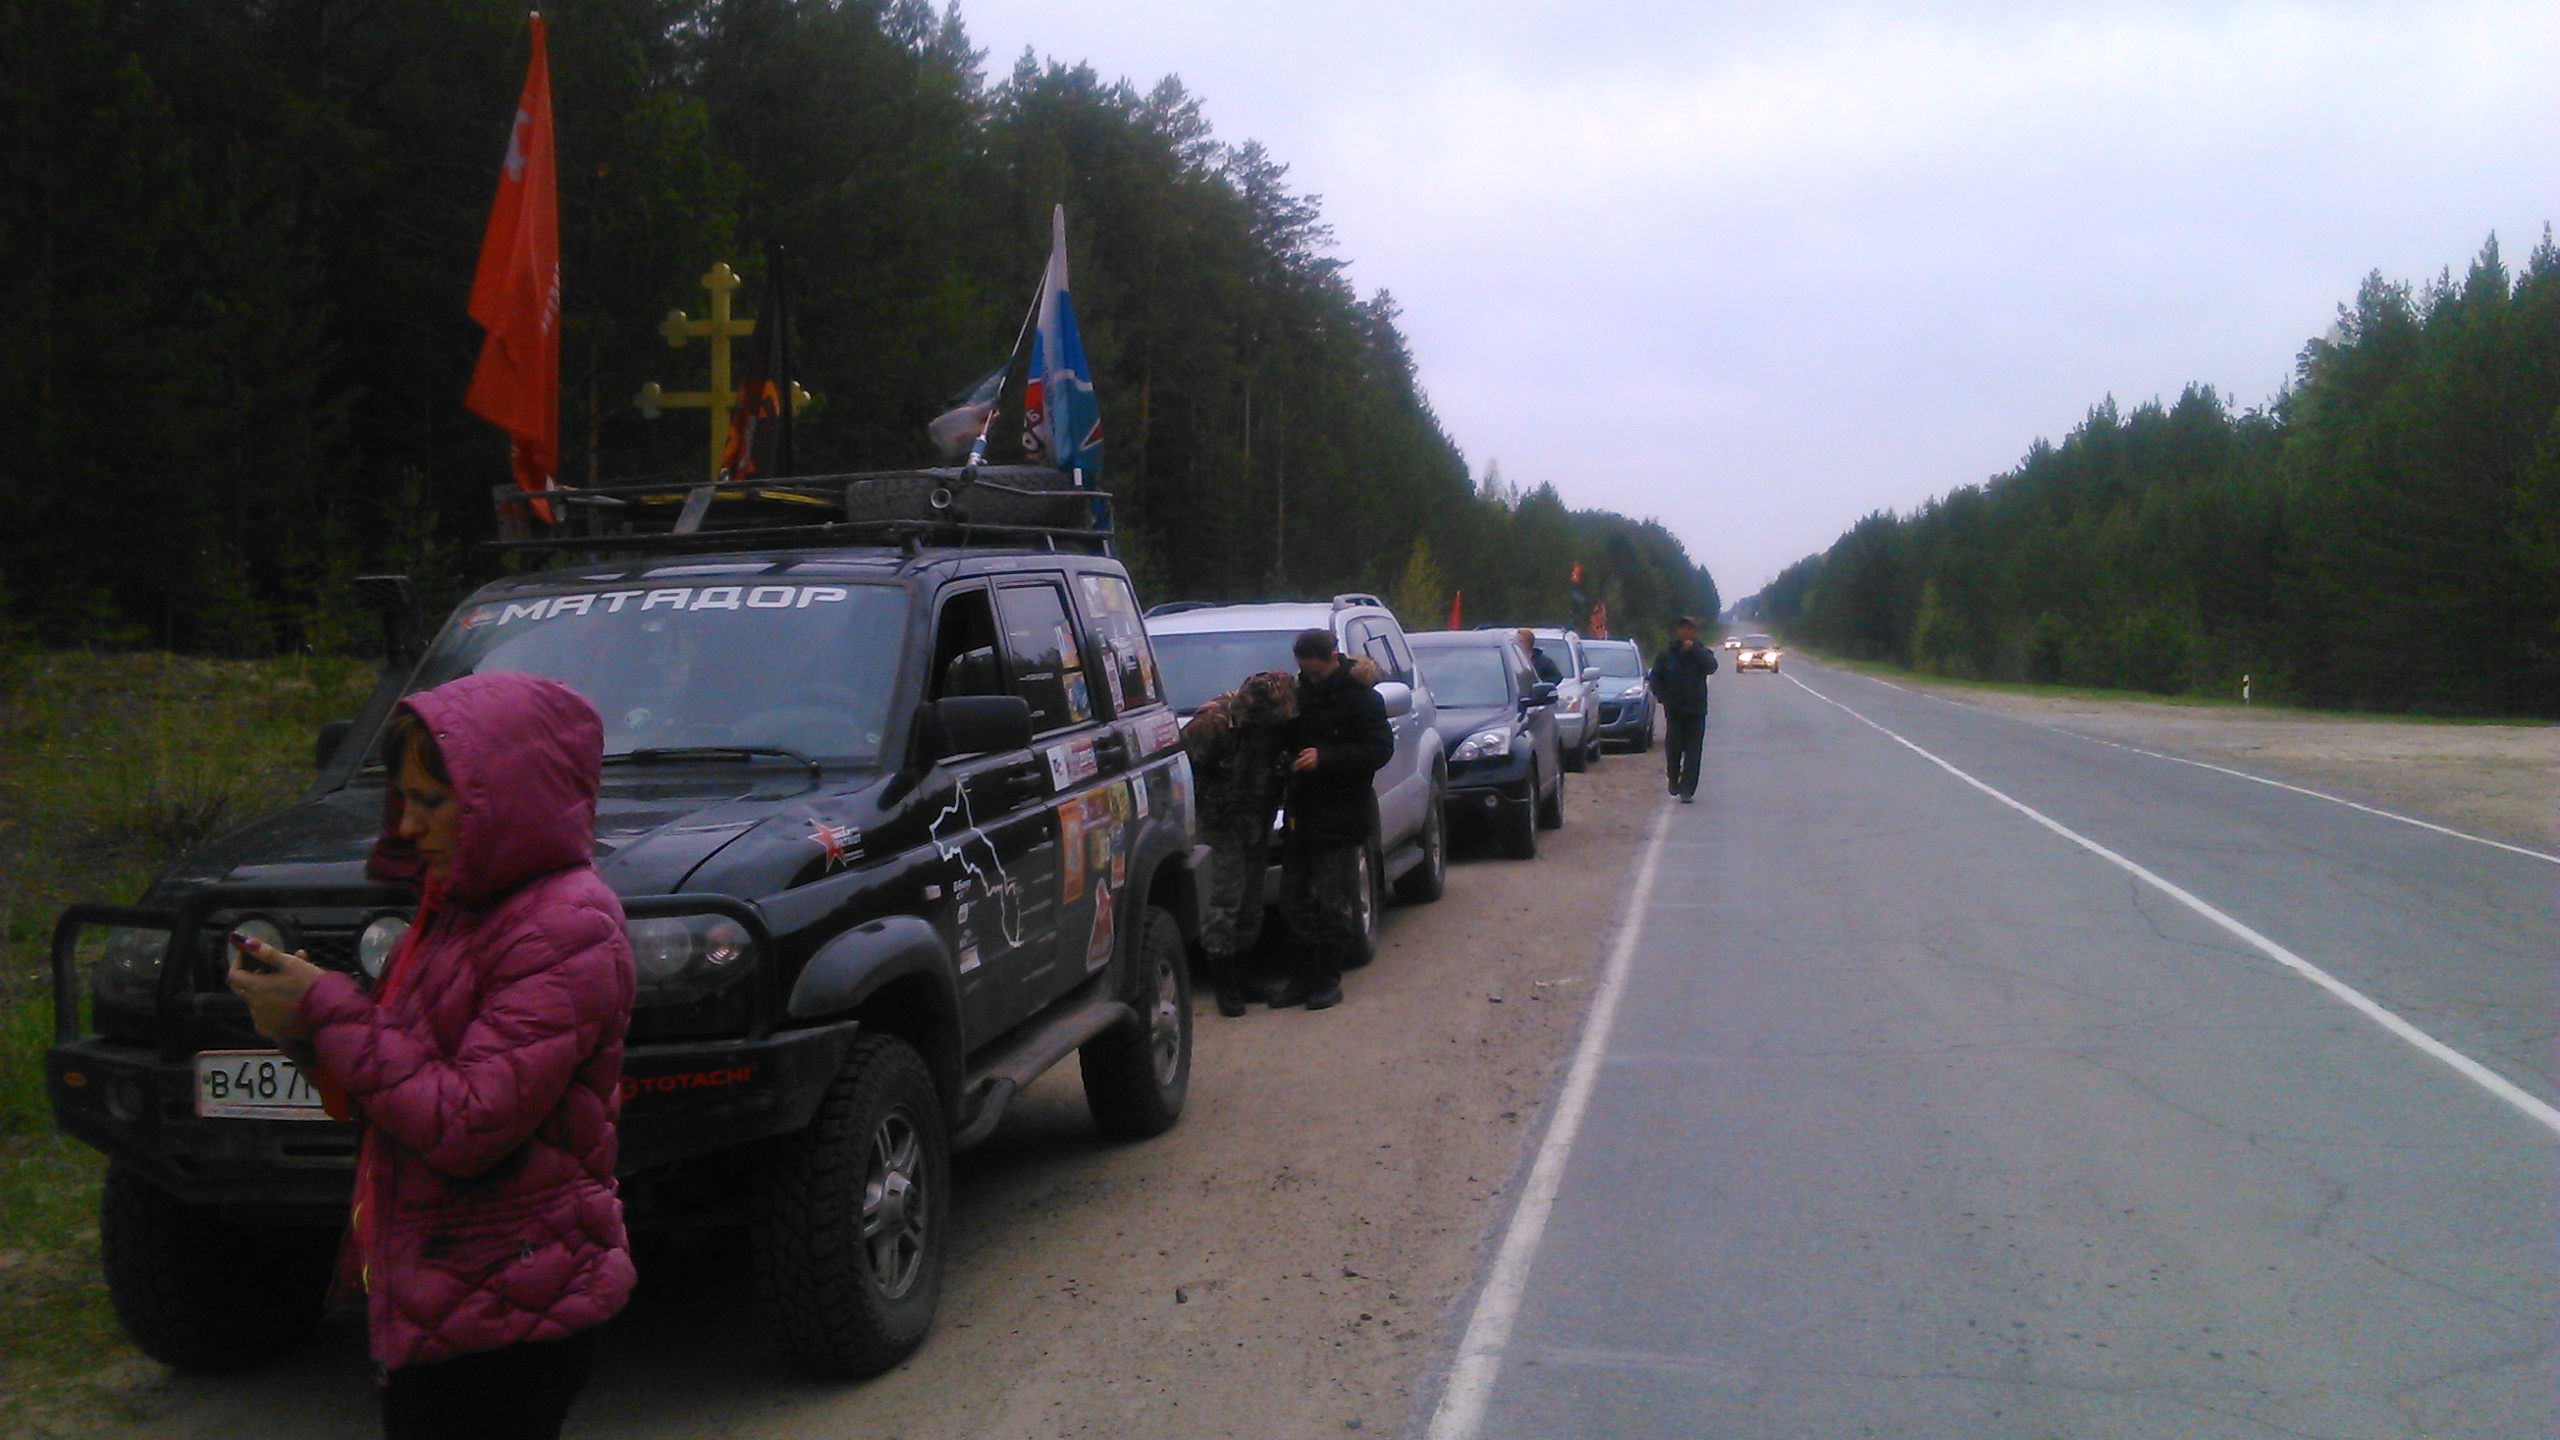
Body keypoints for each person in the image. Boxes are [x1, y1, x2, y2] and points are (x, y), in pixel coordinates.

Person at [228, 672, 637, 1440]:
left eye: (431, 802)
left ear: (504, 799)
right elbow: (393, 1092)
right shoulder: (459, 911)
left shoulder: (565, 927)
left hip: (508, 1310)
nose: (408, 826)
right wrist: (300, 1026)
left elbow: (467, 1124)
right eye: (403, 800)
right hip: (451, 1290)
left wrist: (326, 1007)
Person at [1275, 629, 1394, 1011]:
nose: (1310, 677)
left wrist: (1325, 758)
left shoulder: (1361, 698)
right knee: (1293, 900)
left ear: (1333, 658)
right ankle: (1301, 977)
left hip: (1341, 811)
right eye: (1304, 671)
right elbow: (1283, 739)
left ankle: (1328, 979)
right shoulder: (1299, 696)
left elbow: (1378, 749)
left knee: (1334, 901)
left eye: (1316, 670)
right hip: (1301, 812)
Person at [1180, 669, 1299, 1017]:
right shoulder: (1212, 724)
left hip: (1256, 819)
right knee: (1225, 900)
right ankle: (1224, 984)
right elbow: (1182, 774)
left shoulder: (1280, 720)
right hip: (1218, 824)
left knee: (1251, 902)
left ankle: (1244, 975)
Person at [1647, 615, 1717, 804]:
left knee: (1693, 753)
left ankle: (1687, 789)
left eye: (1690, 629)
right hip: (1675, 712)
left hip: (1696, 711)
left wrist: (1693, 651)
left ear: (1695, 632)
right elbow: (1655, 678)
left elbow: (1711, 667)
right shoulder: (1667, 654)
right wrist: (1663, 697)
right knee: (1674, 750)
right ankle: (1673, 778)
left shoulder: (1702, 652)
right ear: (1678, 631)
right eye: (1683, 628)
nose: (1686, 632)